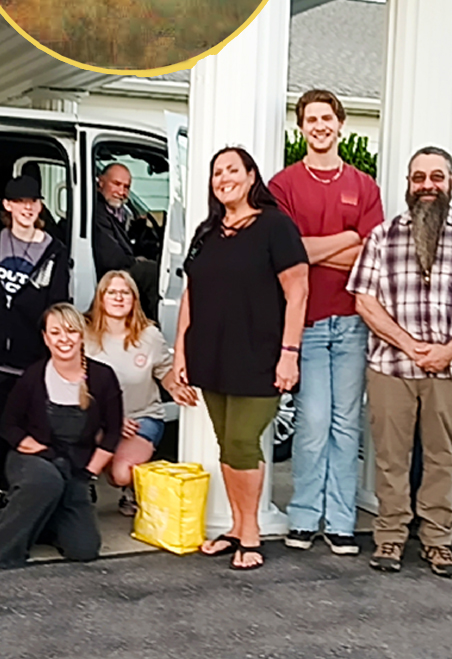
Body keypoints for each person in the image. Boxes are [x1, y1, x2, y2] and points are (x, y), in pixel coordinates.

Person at [347, 147, 452, 578]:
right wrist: (409, 343)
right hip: (391, 369)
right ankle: (391, 538)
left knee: (442, 457)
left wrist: (447, 350)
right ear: (408, 183)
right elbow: (364, 299)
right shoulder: (383, 237)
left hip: (450, 371)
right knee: (390, 458)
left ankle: (438, 541)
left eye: (437, 177)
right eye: (419, 178)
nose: (427, 185)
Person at [172, 147, 308, 571]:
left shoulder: (275, 227)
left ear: (251, 176)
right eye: (216, 172)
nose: (223, 178)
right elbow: (190, 294)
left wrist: (289, 354)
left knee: (243, 443)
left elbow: (298, 290)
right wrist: (180, 351)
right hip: (210, 354)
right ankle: (235, 526)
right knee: (226, 445)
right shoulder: (207, 231)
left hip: (259, 355)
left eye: (232, 169)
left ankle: (249, 532)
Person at [268, 89, 383, 554]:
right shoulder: (283, 186)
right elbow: (288, 253)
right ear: (302, 128)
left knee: (345, 424)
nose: (320, 126)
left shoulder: (364, 185)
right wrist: (348, 237)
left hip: (354, 322)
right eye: (311, 119)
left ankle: (339, 521)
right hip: (308, 324)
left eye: (327, 118)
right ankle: (303, 515)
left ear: (340, 124)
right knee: (313, 424)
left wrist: (317, 249)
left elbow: (371, 256)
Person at [0, 303, 122, 569]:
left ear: (82, 335)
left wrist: (88, 474)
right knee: (45, 481)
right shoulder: (34, 376)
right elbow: (9, 425)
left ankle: (42, 519)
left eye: (71, 331)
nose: (64, 339)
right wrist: (38, 449)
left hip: (77, 467)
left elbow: (113, 432)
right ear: (45, 338)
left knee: (84, 549)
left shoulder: (102, 377)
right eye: (55, 333)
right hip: (33, 460)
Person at [0, 175, 71, 521]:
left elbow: (58, 302)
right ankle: (4, 491)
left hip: (34, 360)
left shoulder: (55, 249)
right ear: (7, 206)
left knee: (33, 430)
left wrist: (54, 352)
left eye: (33, 201)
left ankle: (29, 494)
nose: (27, 208)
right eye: (20, 202)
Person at [85, 270, 197, 515]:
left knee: (121, 474)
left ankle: (134, 487)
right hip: (97, 419)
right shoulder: (85, 336)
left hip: (140, 418)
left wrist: (176, 387)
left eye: (125, 293)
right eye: (111, 292)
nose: (118, 298)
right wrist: (110, 421)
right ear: (100, 298)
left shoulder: (149, 335)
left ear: (134, 299)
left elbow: (165, 371)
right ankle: (84, 483)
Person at [92, 161, 159, 320]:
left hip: (121, 267)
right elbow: (111, 258)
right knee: (152, 272)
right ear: (100, 181)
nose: (121, 191)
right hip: (107, 274)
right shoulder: (96, 211)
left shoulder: (120, 212)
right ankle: (150, 325)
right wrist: (136, 261)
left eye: (126, 187)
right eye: (116, 184)